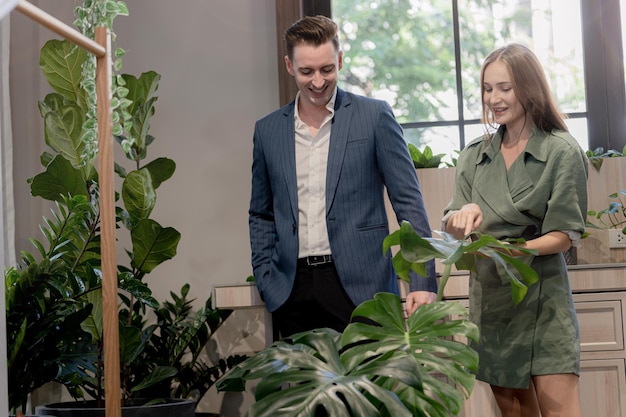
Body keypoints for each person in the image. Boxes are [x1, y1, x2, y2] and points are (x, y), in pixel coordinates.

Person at [248, 15, 437, 339]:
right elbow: (261, 214)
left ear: (339, 60)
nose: (318, 82)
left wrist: (422, 280)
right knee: (308, 391)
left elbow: (408, 201)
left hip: (364, 287)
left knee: (370, 390)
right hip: (292, 290)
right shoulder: (268, 131)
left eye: (327, 69)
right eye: (307, 71)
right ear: (290, 66)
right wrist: (267, 280)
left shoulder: (374, 116)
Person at [442, 43, 586, 417]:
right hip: (494, 304)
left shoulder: (561, 151)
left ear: (528, 86)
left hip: (543, 298)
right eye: (488, 89)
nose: (494, 98)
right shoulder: (473, 156)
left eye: (504, 88)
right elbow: (452, 227)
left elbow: (566, 233)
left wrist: (519, 252)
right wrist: (461, 217)